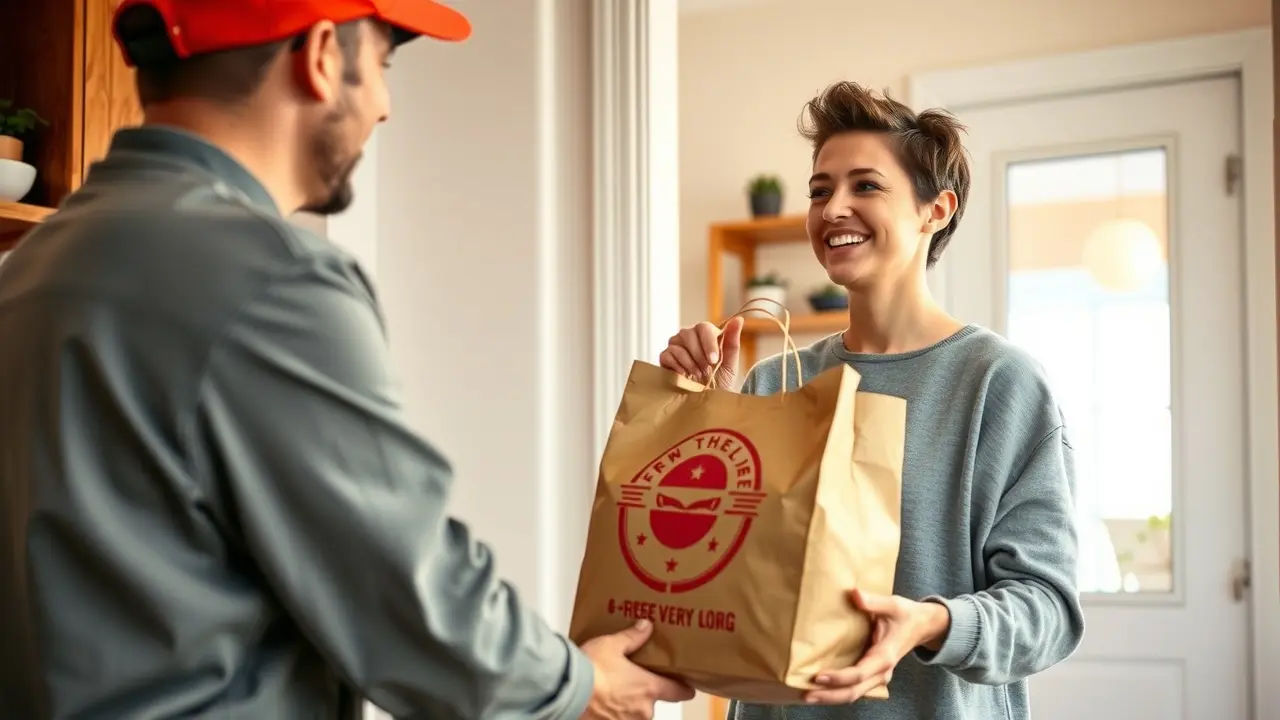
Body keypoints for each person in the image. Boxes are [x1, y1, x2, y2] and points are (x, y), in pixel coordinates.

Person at [0, 1, 694, 718]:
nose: (385, 107)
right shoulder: (269, 277)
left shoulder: (32, 266)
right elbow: (404, 588)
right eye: (384, 67)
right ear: (323, 56)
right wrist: (580, 685)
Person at [660, 82, 1085, 719]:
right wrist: (706, 415)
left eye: (866, 186)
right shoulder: (772, 382)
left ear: (935, 210)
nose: (833, 209)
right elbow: (713, 574)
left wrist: (932, 623)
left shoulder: (1001, 384)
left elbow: (1047, 611)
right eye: (819, 190)